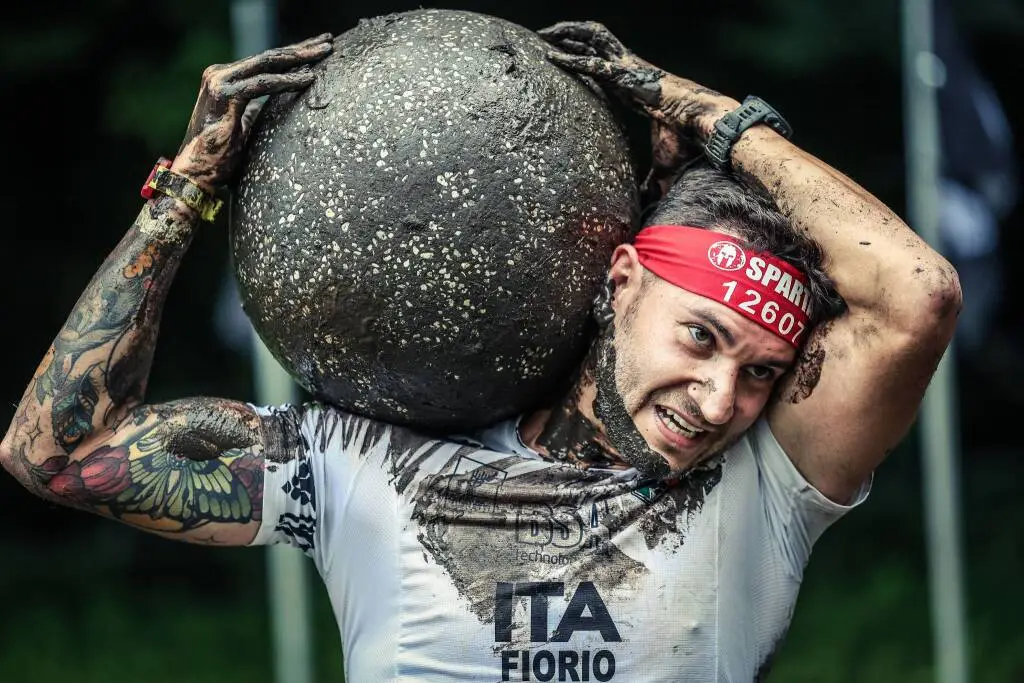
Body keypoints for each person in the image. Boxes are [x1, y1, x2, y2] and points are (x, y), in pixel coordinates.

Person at [0, 21, 960, 682]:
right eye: (700, 338)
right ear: (620, 281)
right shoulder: (358, 463)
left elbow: (917, 294)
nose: (718, 400)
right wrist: (184, 196)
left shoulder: (765, 492)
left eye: (759, 372)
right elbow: (57, 452)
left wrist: (703, 110)